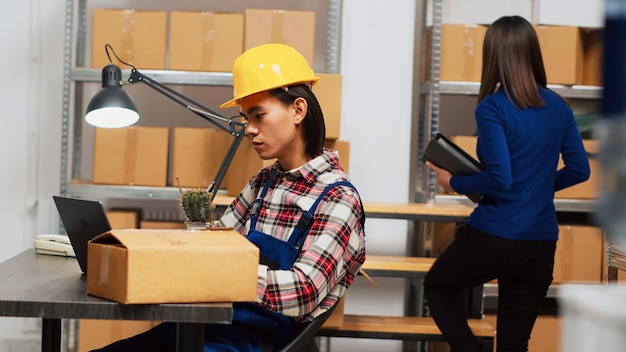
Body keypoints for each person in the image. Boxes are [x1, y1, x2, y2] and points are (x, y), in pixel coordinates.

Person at [92, 43, 366, 352]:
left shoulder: (338, 199)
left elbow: (304, 292)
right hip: (210, 322)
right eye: (246, 117)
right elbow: (215, 244)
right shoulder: (264, 182)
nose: (249, 129)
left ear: (298, 110)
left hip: (253, 339)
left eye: (259, 115)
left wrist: (223, 271)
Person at [423, 16, 590, 352]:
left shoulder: (493, 107)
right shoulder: (559, 106)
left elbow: (500, 177)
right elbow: (579, 170)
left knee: (437, 287)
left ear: (494, 56)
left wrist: (453, 180)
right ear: (531, 52)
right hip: (541, 243)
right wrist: (537, 187)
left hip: (494, 236)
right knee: (515, 344)